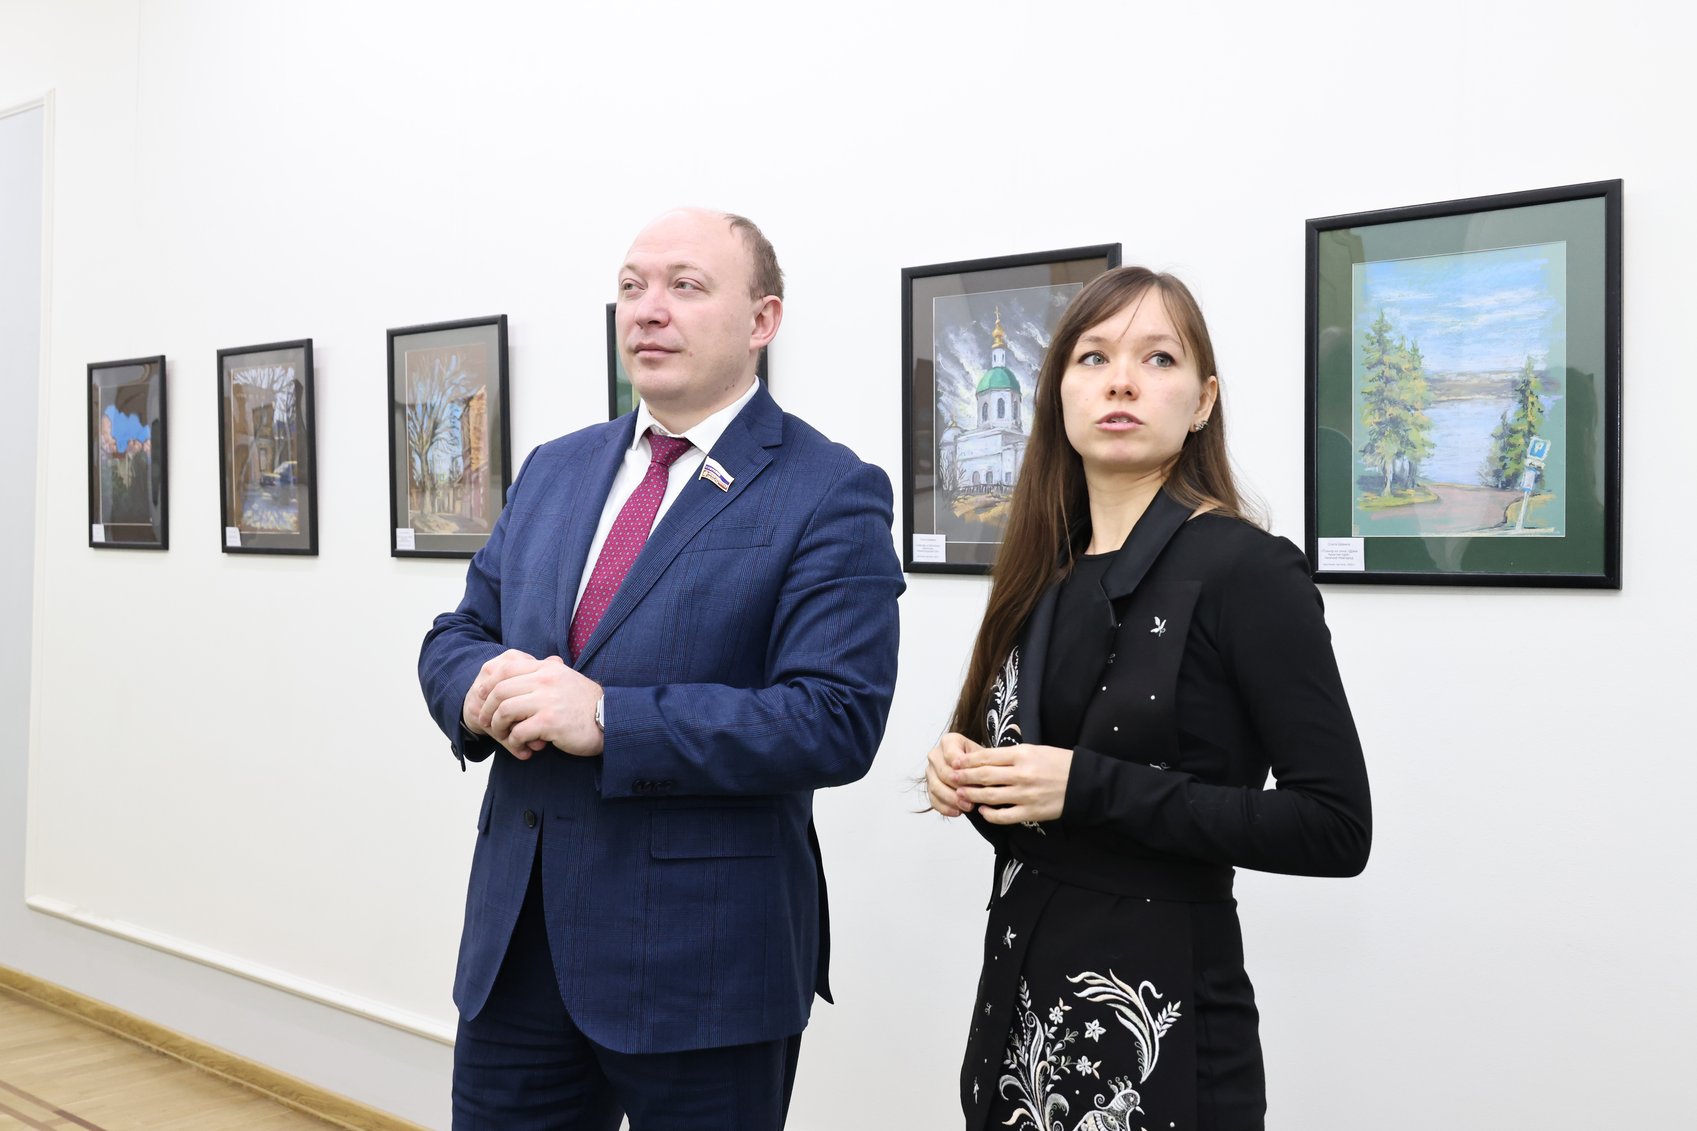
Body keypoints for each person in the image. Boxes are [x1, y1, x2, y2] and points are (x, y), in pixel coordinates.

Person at [420, 207, 904, 1130]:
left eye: (685, 286)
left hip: (703, 967)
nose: (648, 309)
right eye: (632, 287)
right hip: (518, 953)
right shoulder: (554, 468)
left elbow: (834, 717)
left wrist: (609, 717)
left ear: (762, 319)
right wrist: (477, 692)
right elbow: (459, 631)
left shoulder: (827, 488)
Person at [925, 267, 1370, 1130]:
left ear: (1202, 401)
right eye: (1092, 357)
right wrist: (969, 775)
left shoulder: (1248, 569)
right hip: (1014, 1021)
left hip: (1155, 1038)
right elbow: (1037, 805)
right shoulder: (1041, 569)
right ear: (1058, 393)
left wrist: (1086, 785)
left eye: (1157, 358)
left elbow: (1334, 826)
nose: (1121, 381)